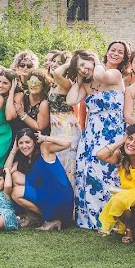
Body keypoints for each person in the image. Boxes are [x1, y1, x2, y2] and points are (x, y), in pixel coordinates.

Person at [67, 49, 125, 230]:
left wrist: (97, 62)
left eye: (85, 64)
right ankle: (91, 219)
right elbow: (71, 100)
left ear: (93, 61)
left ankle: (114, 219)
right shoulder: (86, 86)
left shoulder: (112, 74)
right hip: (92, 134)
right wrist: (78, 79)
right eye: (79, 67)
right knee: (89, 173)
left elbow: (101, 76)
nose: (84, 69)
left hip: (113, 131)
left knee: (110, 173)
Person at [8, 129, 74, 231]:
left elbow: (67, 143)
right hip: (45, 192)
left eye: (27, 142)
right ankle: (34, 216)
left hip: (59, 195)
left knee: (16, 192)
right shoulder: (25, 159)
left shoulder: (44, 149)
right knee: (15, 176)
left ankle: (52, 219)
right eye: (20, 143)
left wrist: (45, 138)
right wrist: (13, 150)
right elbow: (6, 172)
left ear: (34, 142)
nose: (24, 146)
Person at [46, 51, 82, 186]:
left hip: (67, 128)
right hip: (56, 127)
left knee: (67, 167)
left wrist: (68, 62)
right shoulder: (53, 83)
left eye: (59, 63)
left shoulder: (66, 83)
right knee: (58, 165)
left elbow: (56, 73)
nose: (54, 65)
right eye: (53, 61)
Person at [6, 67, 51, 138]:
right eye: (31, 82)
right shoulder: (23, 94)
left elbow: (40, 127)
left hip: (36, 137)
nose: (33, 85)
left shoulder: (43, 103)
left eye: (36, 83)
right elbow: (9, 116)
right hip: (19, 134)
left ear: (43, 85)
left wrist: (22, 115)